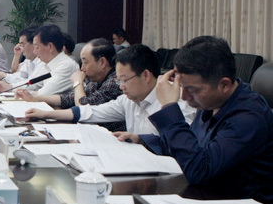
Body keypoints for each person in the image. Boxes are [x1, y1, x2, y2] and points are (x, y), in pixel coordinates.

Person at [125, 36, 273, 204]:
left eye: (192, 89)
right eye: (182, 86)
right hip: (210, 197)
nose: (184, 96)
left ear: (224, 85)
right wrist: (142, 140)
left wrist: (169, 108)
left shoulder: (249, 117)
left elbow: (199, 170)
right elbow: (192, 147)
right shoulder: (212, 102)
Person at [25, 44, 195, 135]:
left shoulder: (177, 101)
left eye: (124, 80)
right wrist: (45, 114)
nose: (121, 86)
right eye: (119, 80)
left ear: (145, 75)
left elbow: (180, 144)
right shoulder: (128, 99)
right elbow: (90, 111)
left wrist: (142, 140)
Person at [19, 38, 121, 108]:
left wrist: (78, 83)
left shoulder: (114, 83)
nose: (82, 68)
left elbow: (84, 108)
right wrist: (34, 98)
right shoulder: (95, 81)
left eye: (85, 62)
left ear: (102, 62)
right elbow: (69, 99)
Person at [0, 24, 78, 96]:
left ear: (50, 47)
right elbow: (32, 84)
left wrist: (14, 90)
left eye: (37, 47)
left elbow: (44, 94)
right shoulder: (47, 64)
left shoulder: (66, 66)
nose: (35, 51)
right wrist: (10, 87)